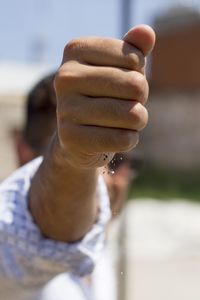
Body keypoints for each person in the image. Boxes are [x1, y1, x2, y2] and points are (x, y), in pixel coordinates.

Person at [0, 24, 155, 300]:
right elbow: (24, 249)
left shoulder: (102, 252)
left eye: (118, 160)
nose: (105, 177)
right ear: (23, 152)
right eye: (99, 159)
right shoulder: (11, 252)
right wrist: (72, 160)